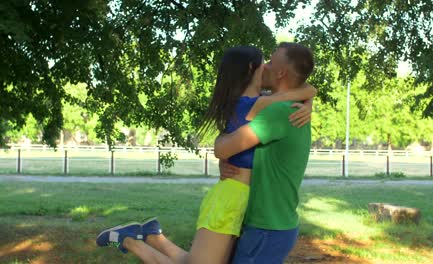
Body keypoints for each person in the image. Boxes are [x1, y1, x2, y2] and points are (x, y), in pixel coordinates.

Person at [95, 45, 316, 264]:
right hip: (232, 196)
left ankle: (153, 235)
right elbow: (302, 91)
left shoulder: (251, 102)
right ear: (251, 68)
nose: (267, 66)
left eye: (271, 61)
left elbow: (296, 93)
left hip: (243, 199)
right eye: (264, 62)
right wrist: (309, 96)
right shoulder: (261, 105)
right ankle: (128, 241)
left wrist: (309, 100)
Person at [215, 42, 315, 264]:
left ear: (281, 72)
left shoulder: (277, 112)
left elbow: (221, 148)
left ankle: (132, 240)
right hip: (273, 225)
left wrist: (225, 154)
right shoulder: (291, 106)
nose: (264, 66)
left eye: (270, 62)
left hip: (266, 227)